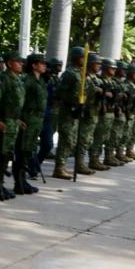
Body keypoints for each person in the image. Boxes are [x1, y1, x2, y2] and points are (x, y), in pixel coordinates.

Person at [0, 51, 24, 201]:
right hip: (4, 122)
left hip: (12, 122)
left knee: (7, 155)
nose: (21, 64)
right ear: (10, 63)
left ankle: (0, 183)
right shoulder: (4, 79)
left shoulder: (17, 79)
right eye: (18, 61)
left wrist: (17, 119)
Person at [51, 46, 86, 180]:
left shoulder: (79, 73)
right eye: (82, 57)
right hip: (67, 111)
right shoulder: (70, 73)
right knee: (66, 139)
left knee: (71, 140)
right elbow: (60, 92)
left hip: (75, 111)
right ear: (76, 58)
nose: (84, 60)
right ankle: (59, 168)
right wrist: (71, 102)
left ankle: (62, 166)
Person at [15, 54, 47, 194]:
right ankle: (19, 181)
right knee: (22, 150)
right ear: (34, 65)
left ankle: (23, 180)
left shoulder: (41, 81)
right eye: (41, 63)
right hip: (28, 118)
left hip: (37, 120)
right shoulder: (27, 80)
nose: (44, 66)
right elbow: (20, 100)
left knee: (29, 150)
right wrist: (18, 117)